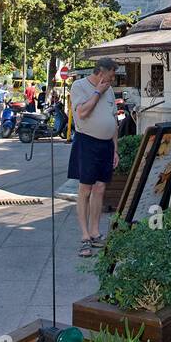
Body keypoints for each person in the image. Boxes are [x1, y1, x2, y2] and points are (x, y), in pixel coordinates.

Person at [68, 58, 119, 257]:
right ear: (101, 72)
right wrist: (98, 92)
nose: (113, 78)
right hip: (87, 142)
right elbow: (81, 113)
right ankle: (84, 236)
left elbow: (113, 119)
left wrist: (115, 148)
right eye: (112, 74)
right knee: (86, 189)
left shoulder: (111, 90)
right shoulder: (79, 86)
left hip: (106, 144)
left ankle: (96, 232)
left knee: (100, 188)